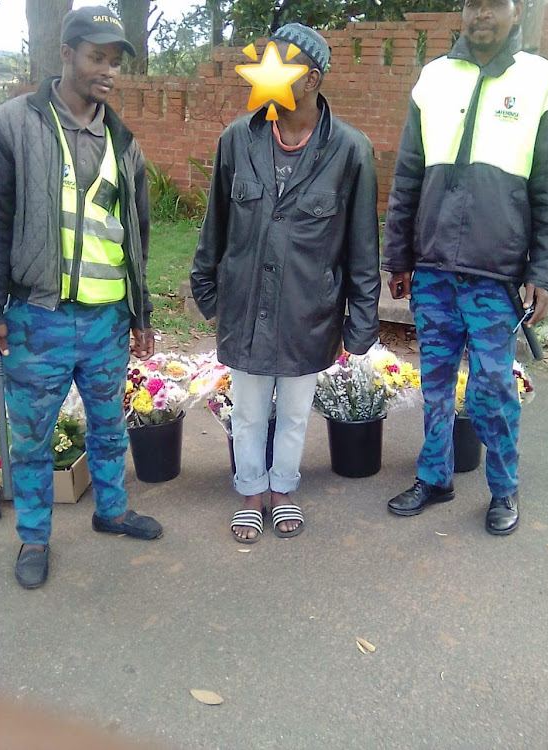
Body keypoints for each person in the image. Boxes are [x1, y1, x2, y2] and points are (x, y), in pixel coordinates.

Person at [191, 23, 380, 543]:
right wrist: (209, 291)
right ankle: (251, 492)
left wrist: (359, 321)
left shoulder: (350, 150)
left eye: (281, 65)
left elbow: (362, 244)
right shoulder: (238, 139)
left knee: (295, 411)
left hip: (307, 309)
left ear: (312, 78)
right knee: (248, 410)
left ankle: (284, 489)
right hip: (246, 303)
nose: (265, 75)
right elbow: (216, 225)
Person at [0, 5, 163, 589]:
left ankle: (111, 511)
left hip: (104, 319)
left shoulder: (123, 140)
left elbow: (137, 235)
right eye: (97, 57)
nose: (108, 71)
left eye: (115, 61)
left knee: (108, 424)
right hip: (34, 316)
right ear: (65, 54)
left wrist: (139, 313)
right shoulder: (13, 124)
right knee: (32, 436)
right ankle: (34, 537)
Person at [382, 0, 548, 534]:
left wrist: (544, 271)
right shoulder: (433, 78)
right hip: (434, 267)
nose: (483, 14)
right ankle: (435, 477)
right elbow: (408, 171)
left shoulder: (541, 81)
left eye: (494, 4)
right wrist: (398, 255)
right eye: (473, 4)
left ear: (515, 11)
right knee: (434, 384)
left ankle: (504, 489)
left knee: (493, 388)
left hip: (495, 274)